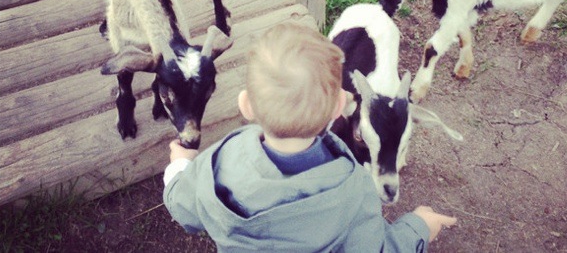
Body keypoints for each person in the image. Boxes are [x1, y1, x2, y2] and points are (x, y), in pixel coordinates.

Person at [163, 22, 457, 252]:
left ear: (246, 105)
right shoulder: (353, 189)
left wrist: (179, 166)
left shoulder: (218, 163)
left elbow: (183, 205)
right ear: (339, 108)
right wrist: (418, 228)